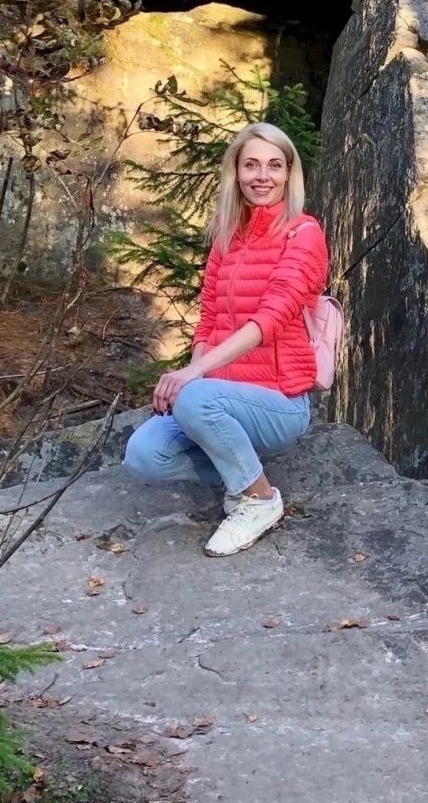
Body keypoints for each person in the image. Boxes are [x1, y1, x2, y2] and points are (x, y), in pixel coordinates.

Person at [122, 121, 327, 557]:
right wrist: (197, 374)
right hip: (219, 397)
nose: (262, 176)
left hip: (278, 403)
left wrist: (193, 376)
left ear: (289, 174)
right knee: (143, 454)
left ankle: (259, 499)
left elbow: (271, 319)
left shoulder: (303, 233)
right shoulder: (226, 234)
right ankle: (242, 472)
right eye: (251, 165)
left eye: (274, 165)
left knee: (195, 398)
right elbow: (210, 320)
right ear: (235, 171)